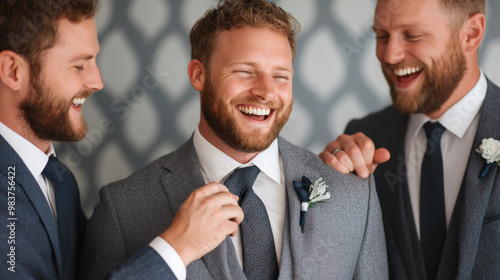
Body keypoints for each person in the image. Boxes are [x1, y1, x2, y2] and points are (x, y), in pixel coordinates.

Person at [80, 0, 388, 279]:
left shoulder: (353, 194)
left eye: (280, 76)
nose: (266, 92)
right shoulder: (123, 208)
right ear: (199, 75)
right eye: (244, 72)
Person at [320, 0, 499, 279]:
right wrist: (325, 191)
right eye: (381, 36)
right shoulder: (365, 138)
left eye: (412, 35)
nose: (389, 55)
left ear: (471, 34)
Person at [0, 1, 101, 279]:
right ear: (12, 71)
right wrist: (172, 251)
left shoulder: (60, 179)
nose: (97, 81)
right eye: (79, 65)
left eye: (94, 60)